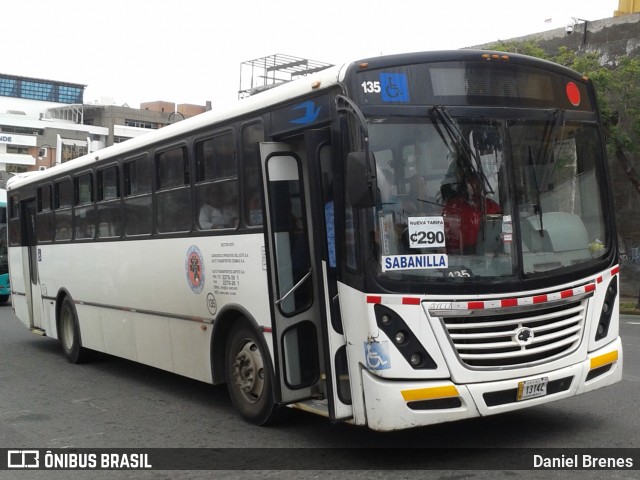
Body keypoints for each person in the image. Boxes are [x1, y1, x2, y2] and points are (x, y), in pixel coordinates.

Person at [442, 174, 500, 253]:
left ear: (481, 188)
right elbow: (443, 231)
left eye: (476, 186)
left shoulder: (492, 207)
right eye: (469, 186)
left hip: (488, 252)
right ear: (464, 188)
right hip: (457, 253)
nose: (472, 190)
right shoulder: (452, 207)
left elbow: (502, 229)